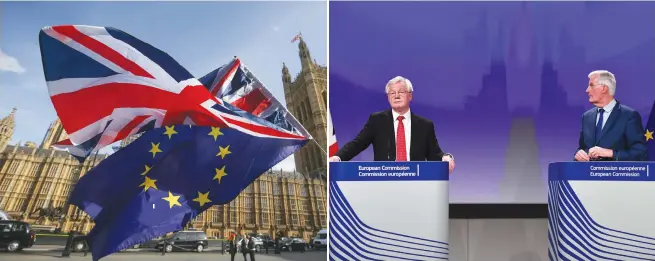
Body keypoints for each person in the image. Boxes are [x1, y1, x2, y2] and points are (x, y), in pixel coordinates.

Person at [329, 76, 455, 173]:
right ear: (388, 98)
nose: (396, 96)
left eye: (401, 92)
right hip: (385, 181)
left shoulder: (425, 125)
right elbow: (357, 144)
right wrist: (338, 158)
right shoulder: (377, 120)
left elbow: (435, 154)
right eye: (392, 93)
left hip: (416, 182)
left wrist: (447, 157)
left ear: (410, 96)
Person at [574, 70, 648, 161]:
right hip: (589, 174)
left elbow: (641, 154)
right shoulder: (586, 117)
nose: (587, 90)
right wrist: (578, 154)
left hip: (615, 174)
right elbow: (582, 148)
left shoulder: (629, 116)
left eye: (591, 85)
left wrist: (611, 153)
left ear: (604, 88)